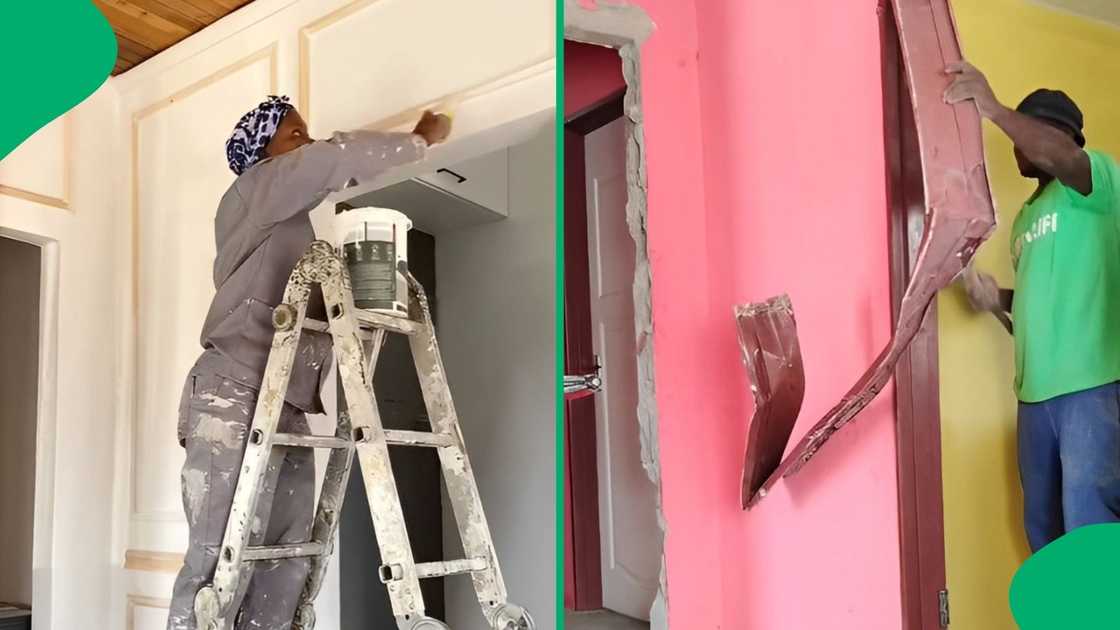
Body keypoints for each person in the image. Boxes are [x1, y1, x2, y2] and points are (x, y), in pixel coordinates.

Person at [167, 95, 452, 630]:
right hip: (231, 390)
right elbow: (329, 159)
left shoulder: (293, 230)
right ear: (263, 151)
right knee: (218, 558)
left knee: (287, 558)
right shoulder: (255, 191)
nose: (308, 142)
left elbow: (306, 310)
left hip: (288, 403)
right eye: (295, 134)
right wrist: (418, 140)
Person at [947, 62, 1120, 552]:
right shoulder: (1026, 218)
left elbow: (1061, 155)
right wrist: (994, 299)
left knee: (1091, 530)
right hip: (1034, 399)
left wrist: (994, 108)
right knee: (1044, 534)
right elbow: (1041, 303)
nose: (1016, 146)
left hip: (1091, 389)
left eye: (1028, 133)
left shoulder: (1092, 183)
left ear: (1062, 137)